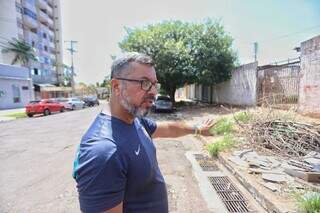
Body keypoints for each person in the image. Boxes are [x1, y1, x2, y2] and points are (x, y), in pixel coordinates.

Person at [73, 52, 214, 213]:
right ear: (116, 86)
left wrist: (197, 129)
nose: (154, 92)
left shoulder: (134, 120)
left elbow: (168, 128)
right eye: (144, 83)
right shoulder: (103, 151)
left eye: (155, 84)